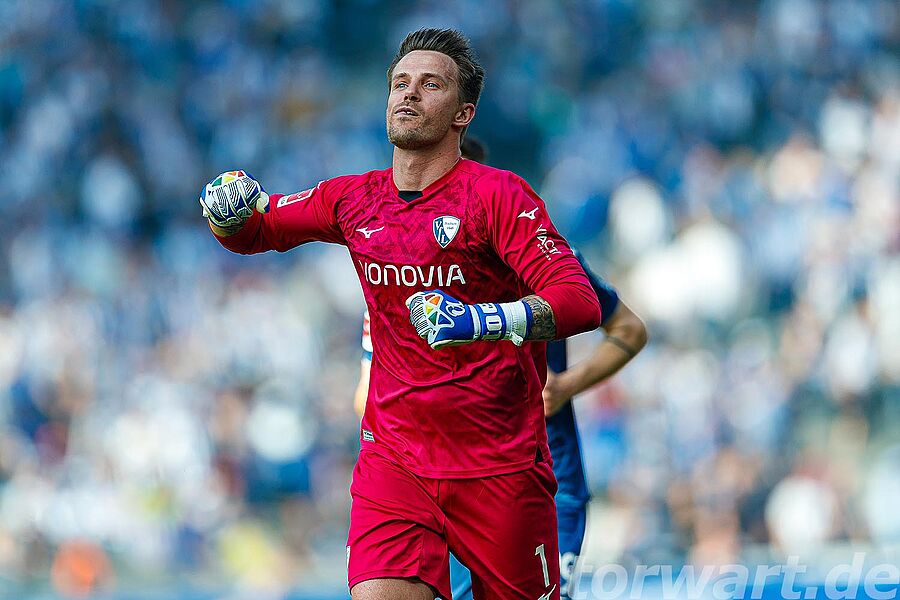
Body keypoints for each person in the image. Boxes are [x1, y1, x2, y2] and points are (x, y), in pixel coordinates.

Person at [200, 28, 602, 599]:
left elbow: (579, 301)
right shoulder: (352, 198)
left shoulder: (500, 196)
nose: (409, 93)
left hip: (499, 467)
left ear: (463, 114)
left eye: (430, 84)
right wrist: (227, 214)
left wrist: (480, 321)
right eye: (400, 83)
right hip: (396, 463)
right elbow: (255, 232)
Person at [353, 138, 648, 600]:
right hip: (443, 484)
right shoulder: (400, 282)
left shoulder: (548, 262)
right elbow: (364, 396)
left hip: (542, 483)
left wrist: (565, 386)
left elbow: (629, 329)